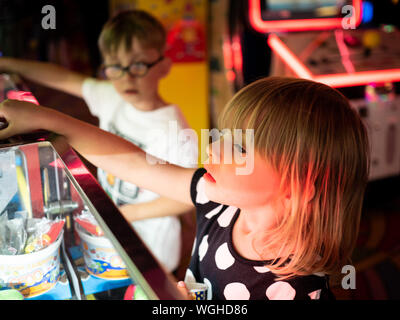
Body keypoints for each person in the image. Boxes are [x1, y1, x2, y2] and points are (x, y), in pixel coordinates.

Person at [0, 76, 370, 300]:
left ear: (300, 185)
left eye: (239, 147)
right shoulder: (221, 200)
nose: (213, 148)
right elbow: (132, 161)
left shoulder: (296, 290)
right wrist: (48, 118)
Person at [0, 10, 198, 273]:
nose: (127, 77)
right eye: (115, 67)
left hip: (154, 248)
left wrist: (120, 216)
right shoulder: (112, 97)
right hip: (111, 235)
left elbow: (184, 199)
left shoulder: (175, 128)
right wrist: (8, 64)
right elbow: (62, 78)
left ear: (164, 66)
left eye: (138, 65)